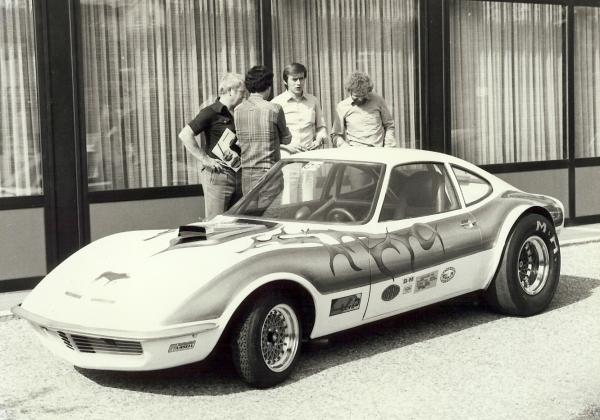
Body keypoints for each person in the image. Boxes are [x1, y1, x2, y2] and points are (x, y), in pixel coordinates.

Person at [178, 73, 246, 221]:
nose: (244, 96)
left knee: (237, 223)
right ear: (230, 91)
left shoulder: (239, 112)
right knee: (217, 223)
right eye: (242, 92)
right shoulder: (211, 112)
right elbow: (185, 135)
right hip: (219, 175)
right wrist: (205, 159)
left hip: (239, 174)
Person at [234, 65, 292, 197]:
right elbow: (286, 139)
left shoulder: (238, 110)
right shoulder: (274, 109)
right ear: (268, 86)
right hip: (269, 172)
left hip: (247, 173)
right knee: (270, 214)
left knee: (250, 215)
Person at [271, 62, 328, 153]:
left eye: (301, 79)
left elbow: (321, 127)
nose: (298, 83)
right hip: (287, 156)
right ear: (285, 81)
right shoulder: (276, 103)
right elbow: (271, 137)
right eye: (294, 79)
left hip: (310, 154)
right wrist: (287, 146)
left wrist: (318, 141)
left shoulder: (313, 101)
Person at [331, 71, 397, 148]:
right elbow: (336, 135)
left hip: (378, 152)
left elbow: (389, 125)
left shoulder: (378, 100)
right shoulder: (342, 106)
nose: (360, 99)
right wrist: (346, 148)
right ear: (349, 91)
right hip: (356, 154)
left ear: (368, 90)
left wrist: (388, 147)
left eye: (363, 95)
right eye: (356, 96)